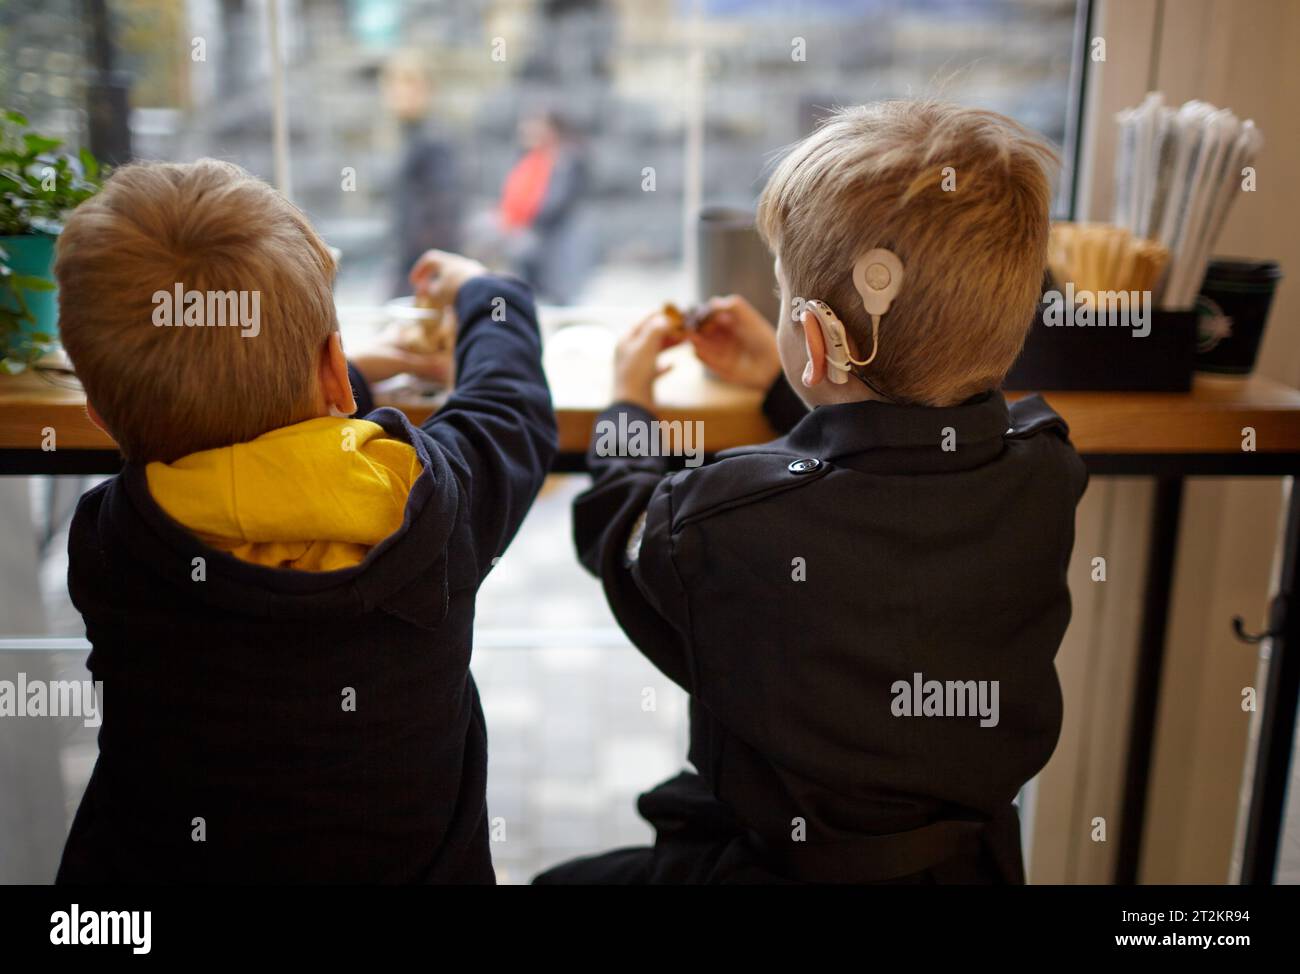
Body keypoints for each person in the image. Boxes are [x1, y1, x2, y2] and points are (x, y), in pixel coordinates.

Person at [535, 101, 1088, 884]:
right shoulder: (1046, 471)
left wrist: (627, 405)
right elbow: (898, 463)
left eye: (782, 296)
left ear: (821, 343)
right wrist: (785, 382)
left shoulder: (726, 525)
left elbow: (620, 532)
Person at [51, 159, 556, 882]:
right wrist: (486, 293)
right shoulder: (431, 508)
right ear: (331, 368)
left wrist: (337, 369)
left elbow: (216, 436)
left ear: (100, 416)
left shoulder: (111, 542)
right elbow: (511, 409)